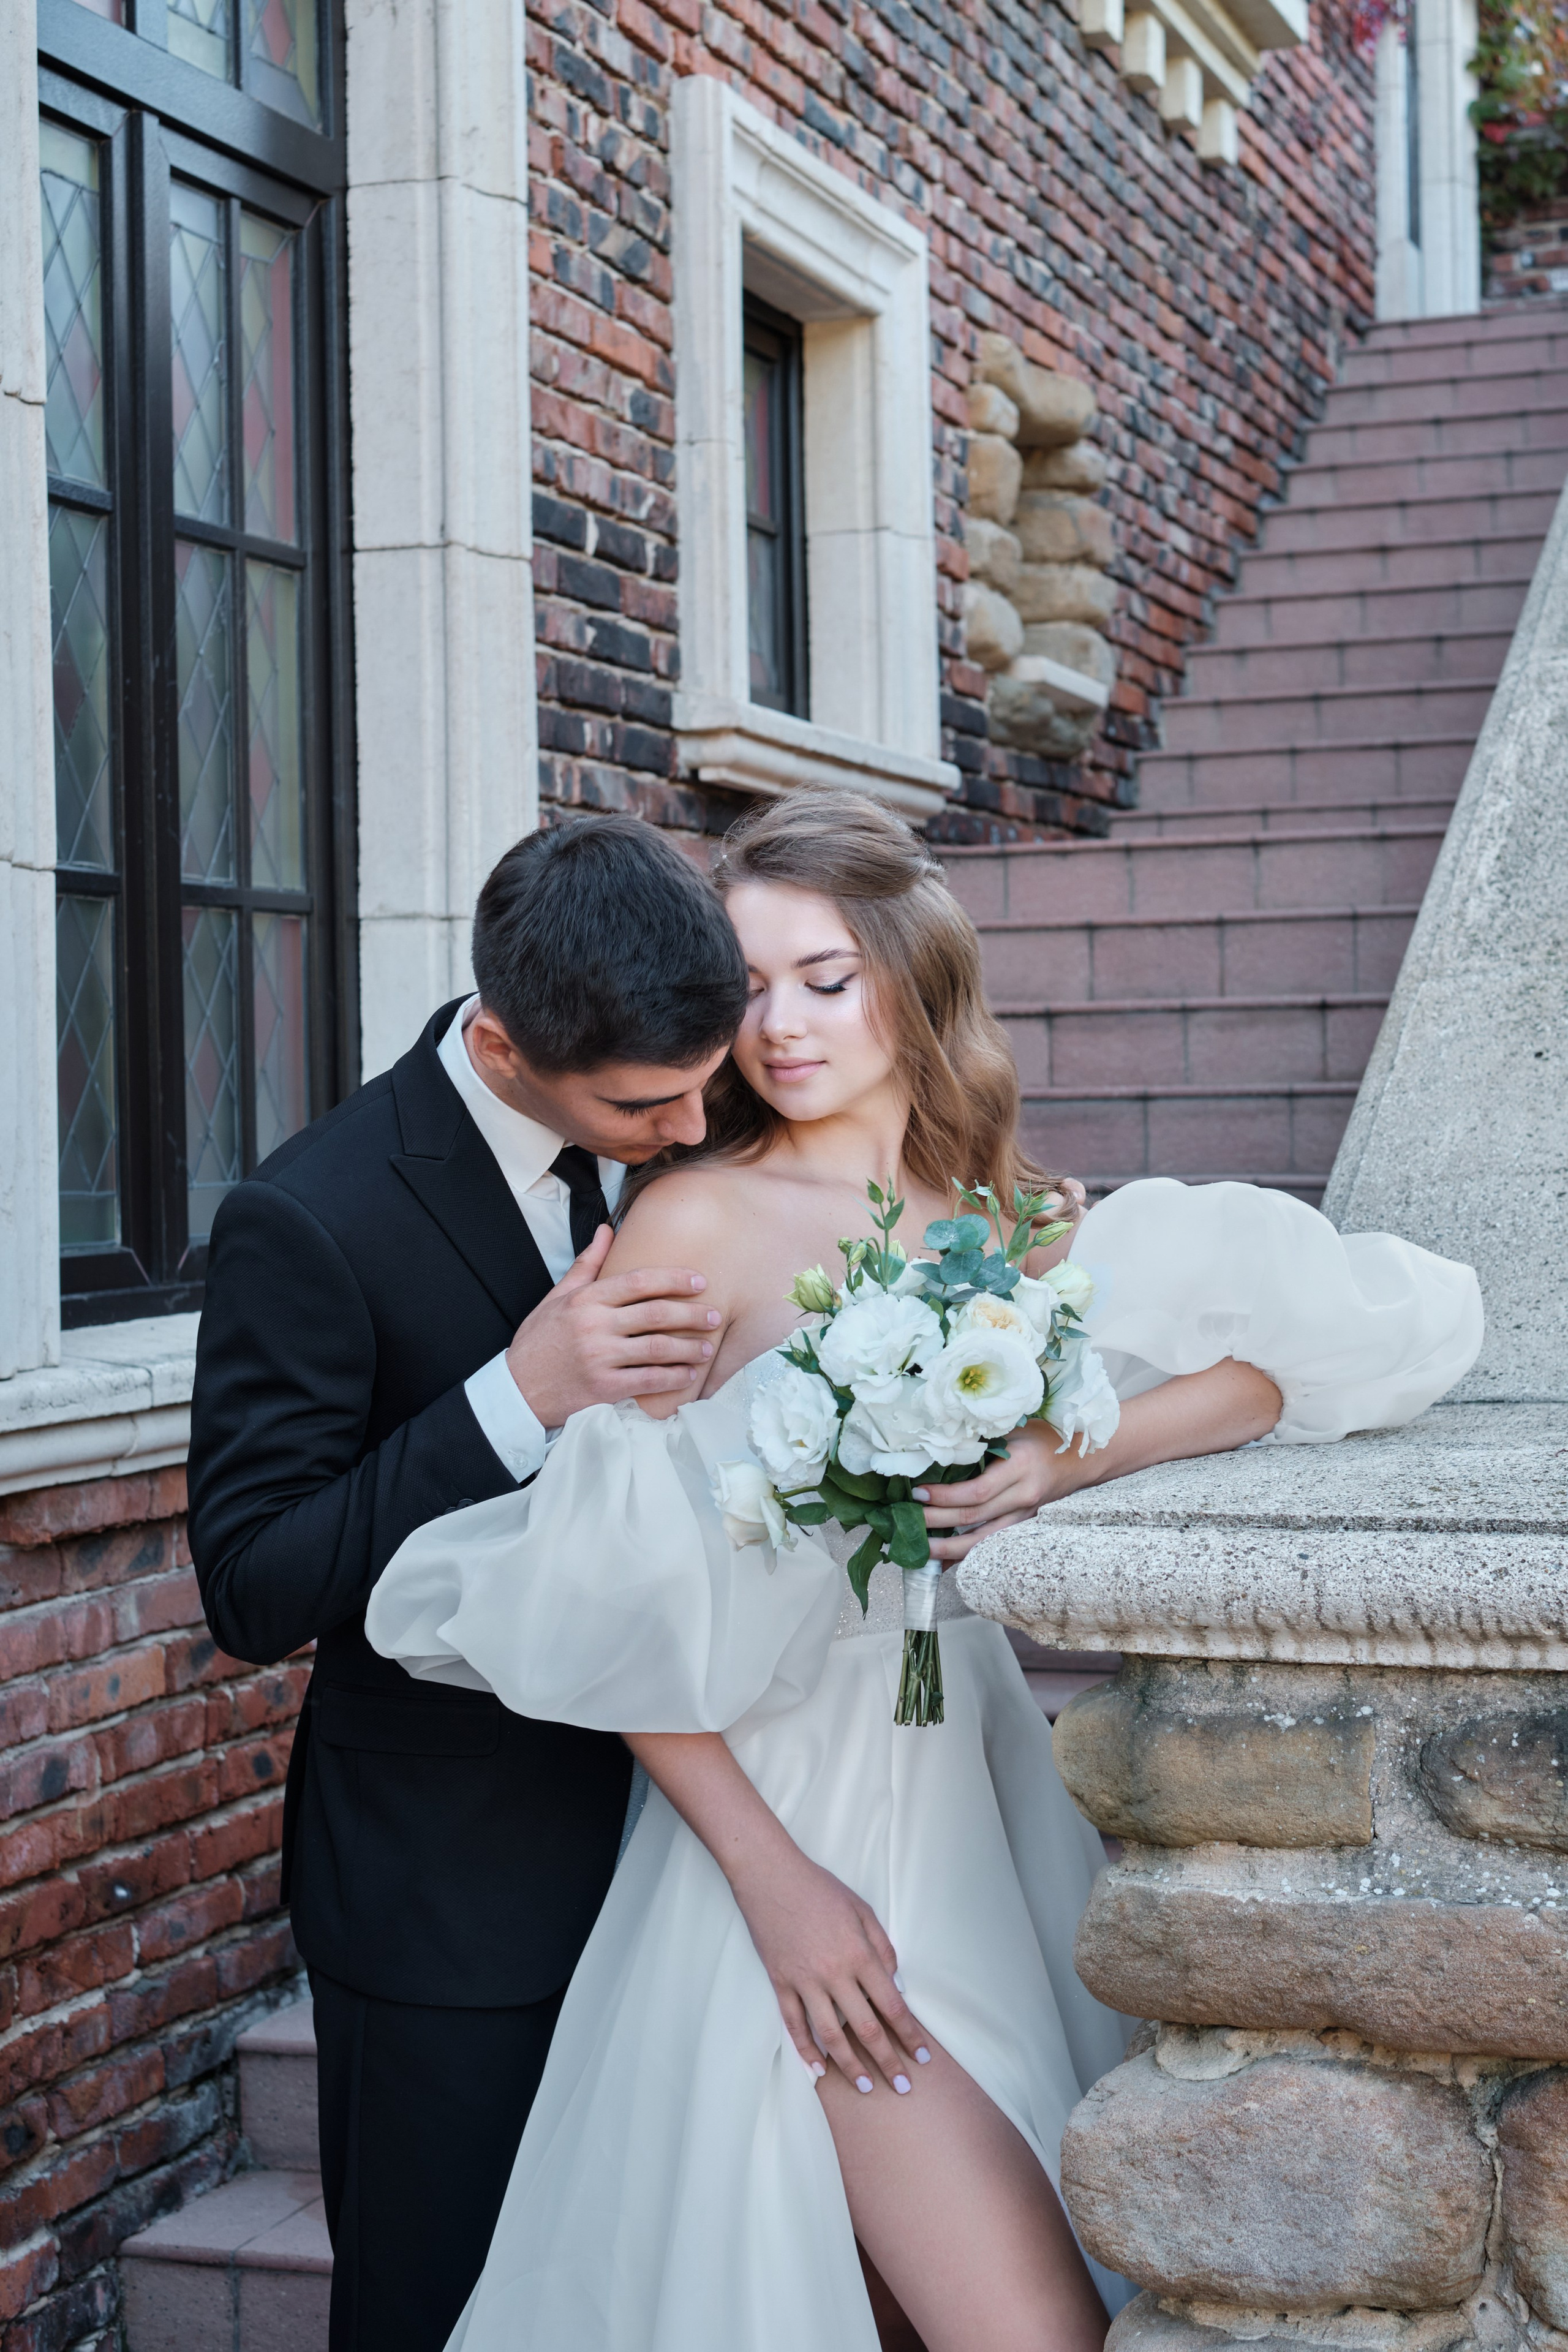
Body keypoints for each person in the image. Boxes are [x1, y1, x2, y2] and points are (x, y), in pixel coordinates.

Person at [366, 790, 1483, 2352]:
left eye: (822, 977)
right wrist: (778, 1891)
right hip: (784, 1834)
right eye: (746, 991)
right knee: (1028, 2330)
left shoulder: (1002, 1220)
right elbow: (605, 1596)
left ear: (910, 968)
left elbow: (1265, 1376)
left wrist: (1056, 1454)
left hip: (971, 1802)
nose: (782, 1028)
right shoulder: (691, 1222)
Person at [185, 815, 754, 2352]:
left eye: (712, 1080)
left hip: (690, 1856)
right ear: (501, 1049)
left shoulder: (685, 1112)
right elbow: (250, 1585)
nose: (699, 1129)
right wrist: (518, 1390)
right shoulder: (309, 1217)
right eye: (650, 1104)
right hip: (453, 1895)